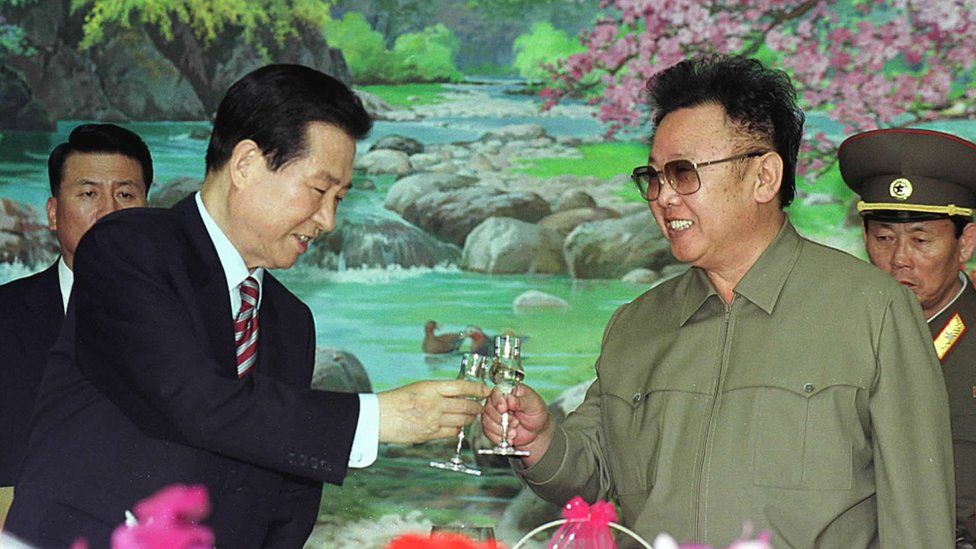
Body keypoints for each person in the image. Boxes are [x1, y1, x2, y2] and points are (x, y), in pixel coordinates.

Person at [5, 64, 487, 548]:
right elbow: (190, 400)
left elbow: (288, 503)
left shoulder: (291, 320)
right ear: (246, 165)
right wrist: (380, 417)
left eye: (340, 198)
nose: (328, 220)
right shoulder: (127, 247)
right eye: (319, 191)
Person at [481, 54, 955, 547]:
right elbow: (592, 470)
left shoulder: (871, 310)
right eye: (654, 177)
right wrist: (539, 442)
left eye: (683, 173)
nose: (663, 197)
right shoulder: (635, 325)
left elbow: (918, 517)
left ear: (764, 178)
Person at [0, 123, 153, 527]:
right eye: (88, 194)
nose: (108, 212)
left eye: (125, 194)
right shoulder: (5, 316)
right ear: (53, 213)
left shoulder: (194, 320)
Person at [840, 128, 976, 546]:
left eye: (921, 240)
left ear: (965, 242)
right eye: (883, 238)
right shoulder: (837, 336)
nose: (900, 259)